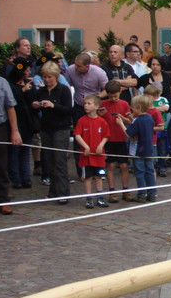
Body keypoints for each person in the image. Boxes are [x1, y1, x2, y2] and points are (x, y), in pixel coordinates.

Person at [33, 61, 72, 204]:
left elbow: (68, 109)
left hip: (61, 128)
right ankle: (53, 192)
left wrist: (53, 105)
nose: (47, 80)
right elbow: (35, 106)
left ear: (56, 76)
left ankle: (63, 192)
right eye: (45, 77)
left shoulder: (63, 90)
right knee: (49, 161)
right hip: (46, 128)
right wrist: (36, 105)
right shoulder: (41, 91)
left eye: (50, 77)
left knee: (60, 161)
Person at [0, 69, 22, 214]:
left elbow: (10, 107)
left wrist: (15, 131)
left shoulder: (1, 83)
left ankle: (3, 201)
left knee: (1, 167)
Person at [99, 81, 134, 202]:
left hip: (121, 138)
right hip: (109, 139)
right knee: (111, 165)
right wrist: (104, 115)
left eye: (115, 96)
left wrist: (122, 118)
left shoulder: (124, 104)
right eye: (110, 96)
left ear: (120, 92)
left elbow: (129, 121)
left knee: (124, 165)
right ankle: (112, 191)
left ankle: (125, 189)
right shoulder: (103, 104)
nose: (113, 99)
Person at [74, 94, 110, 209]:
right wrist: (85, 146)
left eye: (89, 104)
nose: (86, 106)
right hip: (86, 156)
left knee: (99, 177)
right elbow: (77, 135)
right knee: (87, 177)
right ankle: (89, 198)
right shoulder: (81, 120)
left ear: (96, 106)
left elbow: (106, 135)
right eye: (85, 103)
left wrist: (101, 145)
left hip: (98, 156)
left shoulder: (102, 121)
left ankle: (100, 197)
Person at [6, 63, 37, 190]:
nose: (29, 72)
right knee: (14, 151)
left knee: (25, 150)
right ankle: (15, 178)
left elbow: (32, 100)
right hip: (15, 121)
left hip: (27, 122)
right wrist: (22, 91)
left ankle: (26, 177)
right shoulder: (10, 85)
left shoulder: (29, 83)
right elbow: (11, 102)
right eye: (27, 70)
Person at [122, 94, 158, 203]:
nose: (132, 109)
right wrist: (132, 119)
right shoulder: (149, 118)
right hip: (149, 149)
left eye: (133, 107)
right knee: (149, 171)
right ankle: (152, 193)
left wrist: (120, 123)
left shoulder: (138, 120)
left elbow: (129, 133)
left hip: (139, 150)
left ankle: (142, 193)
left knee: (140, 172)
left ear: (139, 108)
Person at [65, 52, 109, 122]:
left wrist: (95, 97)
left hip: (93, 106)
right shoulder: (70, 70)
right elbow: (66, 86)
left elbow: (107, 90)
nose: (75, 68)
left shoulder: (99, 72)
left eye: (79, 66)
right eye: (75, 64)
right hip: (78, 105)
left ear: (87, 66)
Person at [143, 85, 167, 174]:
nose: (146, 98)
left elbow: (161, 127)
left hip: (153, 139)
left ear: (155, 97)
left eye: (149, 96)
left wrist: (150, 128)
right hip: (143, 140)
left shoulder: (155, 111)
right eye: (145, 96)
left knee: (152, 162)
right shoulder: (142, 110)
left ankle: (160, 168)